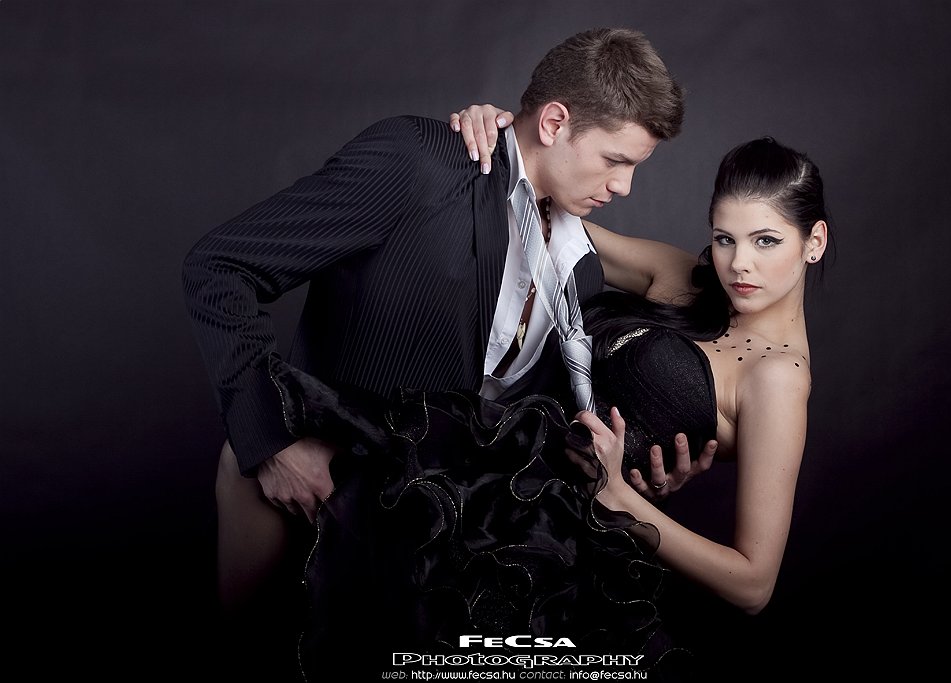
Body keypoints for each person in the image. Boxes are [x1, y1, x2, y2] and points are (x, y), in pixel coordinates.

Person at [181, 27, 713, 678]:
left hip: (444, 547)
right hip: (327, 496)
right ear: (554, 123)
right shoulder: (419, 163)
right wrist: (270, 440)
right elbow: (220, 268)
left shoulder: (579, 268)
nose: (625, 186)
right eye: (614, 160)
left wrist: (624, 477)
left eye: (635, 167)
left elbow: (516, 427)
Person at [293, 133, 831, 680]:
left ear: (814, 242)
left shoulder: (779, 378)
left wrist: (622, 497)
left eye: (766, 241)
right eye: (724, 239)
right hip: (477, 464)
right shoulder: (686, 281)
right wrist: (503, 135)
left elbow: (753, 585)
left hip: (544, 548)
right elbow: (535, 213)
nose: (739, 264)